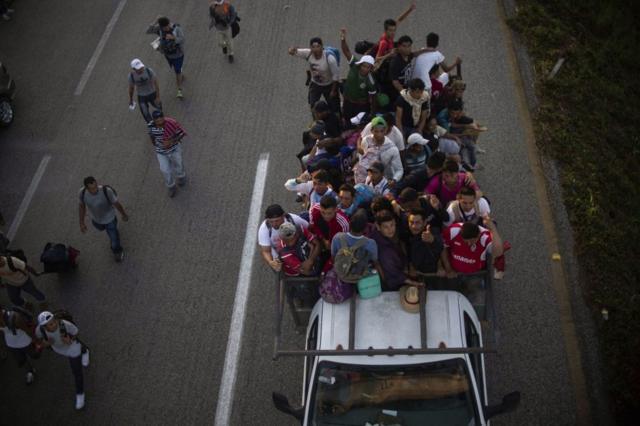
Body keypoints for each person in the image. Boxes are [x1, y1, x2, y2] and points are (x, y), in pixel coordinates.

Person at [36, 311, 90, 411]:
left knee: (77, 372)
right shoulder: (40, 330)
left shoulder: (65, 324)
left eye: (54, 321)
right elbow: (39, 341)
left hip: (71, 348)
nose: (54, 325)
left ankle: (80, 394)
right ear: (44, 327)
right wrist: (45, 343)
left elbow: (76, 332)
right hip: (59, 349)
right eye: (50, 325)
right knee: (80, 348)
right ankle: (85, 350)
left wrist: (70, 340)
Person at [79, 177, 129, 261]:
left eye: (95, 186)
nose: (95, 190)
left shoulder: (106, 191)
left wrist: (124, 214)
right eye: (92, 189)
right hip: (97, 220)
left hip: (110, 219)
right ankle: (113, 234)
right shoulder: (82, 193)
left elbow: (116, 204)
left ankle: (117, 251)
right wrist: (81, 222)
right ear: (86, 188)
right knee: (102, 229)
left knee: (114, 240)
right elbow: (81, 207)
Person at [369, 211, 421, 291]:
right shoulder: (384, 251)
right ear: (378, 227)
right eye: (386, 227)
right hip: (389, 283)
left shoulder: (377, 234)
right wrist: (413, 282)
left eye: (392, 225)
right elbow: (394, 274)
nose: (390, 230)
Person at [288, 38, 340, 113]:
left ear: (322, 47)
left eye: (318, 46)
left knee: (334, 106)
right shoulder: (308, 53)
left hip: (329, 85)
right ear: (310, 48)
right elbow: (293, 52)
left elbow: (336, 76)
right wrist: (292, 49)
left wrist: (333, 90)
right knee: (313, 105)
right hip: (315, 84)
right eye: (313, 47)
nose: (315, 49)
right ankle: (316, 121)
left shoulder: (330, 59)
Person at [330, 210, 381, 281]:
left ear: (350, 223)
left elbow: (333, 258)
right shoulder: (371, 243)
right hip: (361, 279)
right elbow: (375, 263)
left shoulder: (337, 237)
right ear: (365, 228)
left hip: (341, 275)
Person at [147, 111, 187, 197]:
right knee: (165, 170)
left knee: (179, 165)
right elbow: (151, 135)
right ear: (154, 120)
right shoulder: (151, 126)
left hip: (174, 149)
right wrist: (154, 143)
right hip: (161, 151)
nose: (160, 121)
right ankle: (171, 187)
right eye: (157, 120)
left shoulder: (171, 123)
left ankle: (181, 177)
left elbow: (181, 133)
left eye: (161, 118)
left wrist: (171, 141)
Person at [258, 204, 309, 272]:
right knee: (278, 267)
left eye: (277, 221)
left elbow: (309, 228)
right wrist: (271, 262)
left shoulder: (293, 219)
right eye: (271, 221)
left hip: (296, 244)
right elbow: (266, 251)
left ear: (283, 216)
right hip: (278, 251)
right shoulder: (264, 229)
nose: (274, 224)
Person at [340, 29, 378, 119]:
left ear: (371, 68)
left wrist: (373, 114)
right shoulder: (354, 64)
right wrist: (343, 39)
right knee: (347, 121)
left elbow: (373, 99)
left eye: (368, 67)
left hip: (361, 106)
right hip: (347, 101)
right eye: (364, 66)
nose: (365, 69)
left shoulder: (370, 81)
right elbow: (346, 51)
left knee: (359, 124)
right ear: (360, 64)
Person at [355, 116, 403, 185]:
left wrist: (394, 180)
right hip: (366, 181)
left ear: (385, 131)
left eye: (382, 131)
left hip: (385, 183)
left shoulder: (392, 149)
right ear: (371, 131)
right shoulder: (366, 141)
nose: (379, 134)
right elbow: (362, 160)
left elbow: (399, 170)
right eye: (376, 131)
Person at [147, 16, 185, 97]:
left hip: (178, 54)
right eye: (164, 28)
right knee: (177, 69)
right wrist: (155, 21)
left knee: (177, 71)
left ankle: (179, 90)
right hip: (168, 55)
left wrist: (174, 38)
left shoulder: (176, 28)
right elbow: (148, 31)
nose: (167, 29)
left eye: (168, 26)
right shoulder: (159, 29)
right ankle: (181, 73)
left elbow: (182, 39)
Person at [1, 307, 36, 384]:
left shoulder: (15, 318)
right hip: (11, 344)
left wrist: (35, 340)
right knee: (22, 360)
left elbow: (27, 330)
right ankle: (30, 371)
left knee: (34, 355)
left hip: (25, 341)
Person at [405, 208, 444, 274]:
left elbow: (441, 247)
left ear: (425, 222)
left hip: (435, 275)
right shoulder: (407, 234)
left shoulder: (433, 231)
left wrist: (432, 240)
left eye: (418, 223)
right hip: (417, 275)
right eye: (411, 222)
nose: (414, 226)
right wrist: (410, 266)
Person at [128, 59, 162, 123]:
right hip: (141, 96)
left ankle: (162, 123)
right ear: (134, 69)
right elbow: (131, 88)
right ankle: (152, 126)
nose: (141, 69)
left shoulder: (149, 71)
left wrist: (158, 96)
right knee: (145, 113)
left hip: (152, 93)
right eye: (138, 68)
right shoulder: (131, 76)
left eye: (141, 67)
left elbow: (156, 83)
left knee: (159, 110)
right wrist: (131, 99)